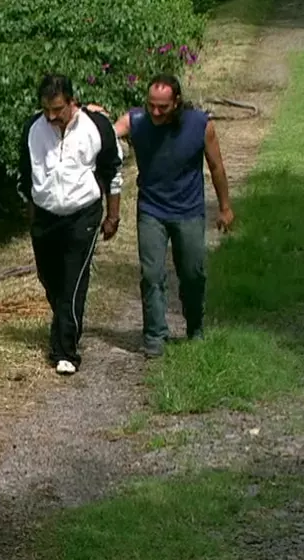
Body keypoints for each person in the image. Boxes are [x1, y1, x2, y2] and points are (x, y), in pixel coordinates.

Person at [95, 73, 234, 358]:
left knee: (193, 273)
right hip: (152, 210)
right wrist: (89, 115)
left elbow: (216, 167)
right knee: (151, 274)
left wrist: (225, 207)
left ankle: (195, 327)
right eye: (151, 105)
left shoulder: (200, 125)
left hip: (189, 210)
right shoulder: (137, 121)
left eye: (163, 107)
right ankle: (155, 336)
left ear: (177, 102)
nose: (155, 112)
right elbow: (105, 134)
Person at [18, 74, 124, 376]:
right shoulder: (32, 129)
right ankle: (66, 323)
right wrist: (32, 220)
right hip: (45, 216)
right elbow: (26, 177)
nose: (52, 117)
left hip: (83, 214)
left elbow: (113, 172)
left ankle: (64, 350)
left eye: (58, 110)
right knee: (50, 279)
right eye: (46, 110)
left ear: (72, 101)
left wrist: (112, 216)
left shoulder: (96, 126)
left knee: (73, 281)